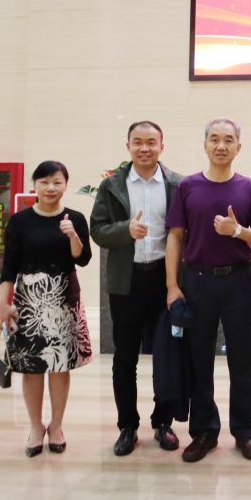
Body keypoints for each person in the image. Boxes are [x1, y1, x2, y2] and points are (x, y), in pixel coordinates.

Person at [164, 117, 251, 463]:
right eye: (214, 139)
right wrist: (172, 286)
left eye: (228, 140)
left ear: (239, 146)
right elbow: (175, 237)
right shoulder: (187, 187)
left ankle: (246, 431)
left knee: (243, 358)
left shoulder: (249, 188)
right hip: (197, 282)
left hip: (238, 280)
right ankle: (204, 431)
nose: (221, 145)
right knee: (198, 358)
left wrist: (237, 230)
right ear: (205, 144)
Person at [90, 121, 184, 457]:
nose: (144, 148)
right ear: (128, 146)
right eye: (138, 142)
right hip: (126, 281)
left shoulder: (177, 184)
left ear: (162, 146)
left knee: (167, 355)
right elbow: (98, 231)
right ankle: (127, 426)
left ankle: (163, 422)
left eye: (151, 142)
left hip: (164, 278)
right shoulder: (112, 185)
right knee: (125, 356)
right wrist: (125, 231)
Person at [0, 161, 92, 457]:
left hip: (64, 300)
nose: (51, 188)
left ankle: (57, 426)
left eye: (57, 182)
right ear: (34, 185)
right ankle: (36, 426)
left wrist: (72, 235)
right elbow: (9, 266)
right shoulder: (19, 221)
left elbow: (83, 258)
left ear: (66, 185)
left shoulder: (75, 218)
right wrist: (2, 303)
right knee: (32, 368)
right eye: (44, 182)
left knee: (60, 367)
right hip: (28, 303)